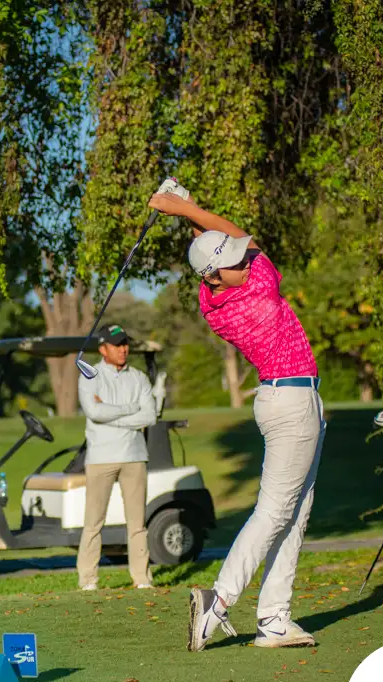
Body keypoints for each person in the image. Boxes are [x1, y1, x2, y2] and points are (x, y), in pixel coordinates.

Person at [147, 187, 324, 651]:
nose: (245, 261)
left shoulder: (213, 301)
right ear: (217, 274)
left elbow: (216, 245)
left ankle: (275, 618)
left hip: (283, 399)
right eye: (235, 262)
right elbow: (240, 237)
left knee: (295, 511)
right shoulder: (258, 287)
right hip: (292, 402)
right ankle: (218, 601)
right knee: (276, 511)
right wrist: (185, 208)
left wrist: (183, 210)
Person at [77, 324, 157, 591]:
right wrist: (131, 409)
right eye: (117, 344)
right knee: (93, 522)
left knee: (137, 523)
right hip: (101, 457)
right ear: (103, 349)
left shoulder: (139, 377)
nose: (123, 349)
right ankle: (88, 580)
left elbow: (149, 416)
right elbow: (94, 412)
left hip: (134, 456)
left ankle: (142, 578)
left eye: (125, 343)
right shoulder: (90, 375)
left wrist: (114, 417)